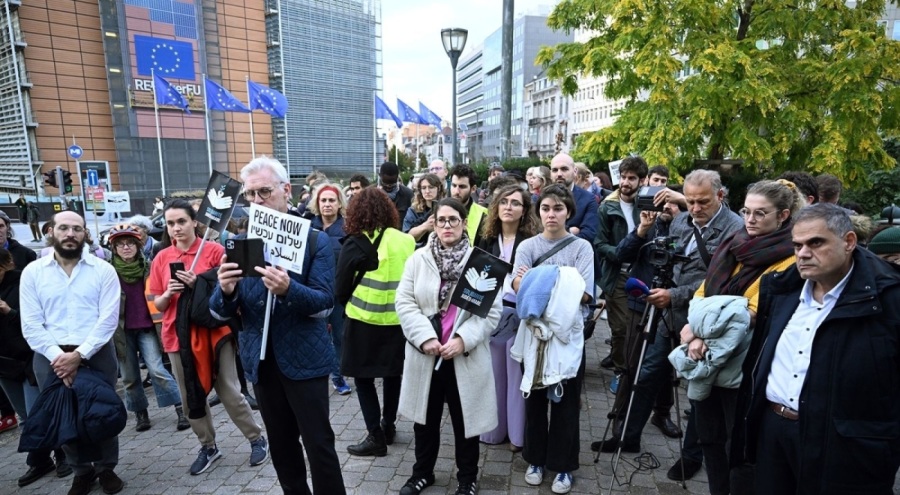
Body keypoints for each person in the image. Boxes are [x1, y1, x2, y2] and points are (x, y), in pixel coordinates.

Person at [733, 203, 900, 495]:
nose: (803, 253)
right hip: (773, 432)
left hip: (843, 445)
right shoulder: (782, 290)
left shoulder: (887, 297)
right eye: (797, 245)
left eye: (816, 243)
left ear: (849, 242)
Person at [595, 170, 744, 482]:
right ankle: (627, 436)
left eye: (702, 201)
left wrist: (674, 295)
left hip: (704, 322)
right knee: (646, 373)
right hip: (666, 315)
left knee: (696, 390)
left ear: (720, 196)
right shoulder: (680, 219)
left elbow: (724, 281)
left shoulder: (734, 228)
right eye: (689, 201)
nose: (696, 207)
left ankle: (692, 457)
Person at [211, 157, 345, 494]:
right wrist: (225, 291)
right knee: (283, 449)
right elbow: (219, 309)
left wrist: (288, 289)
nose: (257, 201)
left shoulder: (315, 241)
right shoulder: (241, 244)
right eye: (251, 195)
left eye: (264, 192)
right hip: (262, 364)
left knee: (319, 446)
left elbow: (325, 301)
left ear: (286, 191)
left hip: (305, 360)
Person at [674, 180, 802, 495]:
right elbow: (703, 294)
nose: (751, 219)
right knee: (709, 438)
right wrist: (695, 331)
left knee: (740, 448)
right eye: (747, 211)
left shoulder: (789, 258)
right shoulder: (734, 242)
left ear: (783, 215)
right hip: (706, 356)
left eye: (761, 213)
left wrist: (697, 331)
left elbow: (748, 314)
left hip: (745, 366)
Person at [147, 199, 266, 476]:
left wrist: (199, 282)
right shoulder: (161, 258)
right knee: (190, 397)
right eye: (170, 223)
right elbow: (159, 304)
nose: (176, 228)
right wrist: (170, 293)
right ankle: (208, 446)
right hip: (177, 336)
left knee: (230, 391)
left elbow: (230, 286)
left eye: (181, 221)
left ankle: (257, 439)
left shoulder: (214, 250)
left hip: (215, 332)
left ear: (194, 222)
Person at [395, 197, 502, 495]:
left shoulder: (482, 262)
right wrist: (425, 338)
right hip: (426, 355)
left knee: (465, 420)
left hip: (463, 356)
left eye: (453, 219)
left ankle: (467, 478)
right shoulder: (418, 259)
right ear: (434, 222)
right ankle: (422, 473)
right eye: (441, 220)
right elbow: (404, 302)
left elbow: (490, 312)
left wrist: (462, 339)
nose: (447, 226)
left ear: (464, 222)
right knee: (424, 421)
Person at [20, 211, 124, 495]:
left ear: (85, 234)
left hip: (97, 350)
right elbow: (30, 323)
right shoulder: (33, 272)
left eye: (76, 229)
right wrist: (59, 357)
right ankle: (82, 472)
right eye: (63, 228)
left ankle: (106, 469)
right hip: (49, 355)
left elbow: (108, 319)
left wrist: (79, 354)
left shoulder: (103, 270)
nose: (70, 234)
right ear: (51, 231)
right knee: (62, 414)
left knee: (101, 412)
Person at [510, 184, 594, 494]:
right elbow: (520, 288)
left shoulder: (582, 248)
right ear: (538, 212)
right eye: (545, 208)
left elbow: (585, 293)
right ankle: (535, 459)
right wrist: (562, 281)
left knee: (566, 405)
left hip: (567, 337)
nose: (551, 214)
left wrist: (540, 280)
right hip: (533, 335)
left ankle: (563, 467)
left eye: (558, 208)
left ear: (568, 211)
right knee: (533, 402)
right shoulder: (528, 246)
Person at [335, 187, 415, 458]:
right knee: (393, 375)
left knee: (364, 380)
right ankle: (389, 425)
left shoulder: (354, 243)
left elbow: (340, 288)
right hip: (398, 322)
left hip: (363, 322)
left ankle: (375, 436)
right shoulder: (406, 241)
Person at [0, 247, 72, 487]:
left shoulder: (23, 281)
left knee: (40, 412)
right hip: (4, 364)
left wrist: (9, 311)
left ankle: (64, 455)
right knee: (25, 417)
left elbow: (40, 320)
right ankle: (40, 460)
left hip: (30, 358)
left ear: (4, 265)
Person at [107, 224, 188, 432]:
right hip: (121, 331)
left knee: (157, 369)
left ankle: (181, 408)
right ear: (114, 248)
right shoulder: (107, 272)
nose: (126, 248)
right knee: (129, 377)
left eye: (130, 244)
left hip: (147, 327)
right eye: (121, 245)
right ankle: (140, 413)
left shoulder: (150, 266)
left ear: (138, 246)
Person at [476, 184, 538, 451]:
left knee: (515, 376)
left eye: (515, 203)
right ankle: (492, 430)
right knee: (492, 375)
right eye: (504, 202)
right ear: (496, 207)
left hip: (518, 316)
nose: (508, 207)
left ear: (524, 211)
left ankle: (517, 435)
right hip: (489, 314)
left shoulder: (531, 242)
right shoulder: (486, 238)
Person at [595, 156, 648, 392]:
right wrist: (616, 253)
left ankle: (635, 368)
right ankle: (620, 370)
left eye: (632, 178)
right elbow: (599, 242)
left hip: (643, 272)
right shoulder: (608, 206)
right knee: (620, 328)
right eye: (623, 177)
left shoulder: (647, 204)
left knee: (640, 327)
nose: (625, 182)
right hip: (617, 274)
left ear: (642, 180)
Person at [309, 183, 352, 395]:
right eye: (323, 200)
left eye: (331, 200)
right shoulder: (308, 226)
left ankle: (338, 376)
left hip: (338, 294)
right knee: (316, 336)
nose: (327, 204)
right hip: (314, 292)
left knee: (339, 337)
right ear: (317, 203)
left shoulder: (348, 228)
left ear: (339, 204)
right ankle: (316, 377)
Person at [548, 153, 599, 243]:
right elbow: (537, 230)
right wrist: (570, 231)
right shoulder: (542, 198)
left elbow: (588, 234)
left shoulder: (588, 199)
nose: (559, 174)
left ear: (575, 171)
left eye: (564, 169)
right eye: (555, 170)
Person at [449, 164, 488, 245]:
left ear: (473, 189)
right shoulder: (439, 210)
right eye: (454, 185)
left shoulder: (484, 214)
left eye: (462, 187)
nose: (456, 191)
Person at [403, 173, 444, 247]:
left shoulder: (448, 208)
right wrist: (425, 226)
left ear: (439, 188)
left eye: (431, 187)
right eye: (424, 188)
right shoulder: (413, 210)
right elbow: (407, 235)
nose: (427, 191)